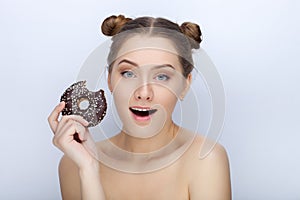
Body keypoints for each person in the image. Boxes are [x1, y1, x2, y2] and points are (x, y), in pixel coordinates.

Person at [48, 15, 231, 200]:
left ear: (184, 85)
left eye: (162, 76)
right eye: (128, 73)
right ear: (110, 80)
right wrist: (88, 169)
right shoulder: (74, 164)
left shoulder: (206, 159)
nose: (144, 93)